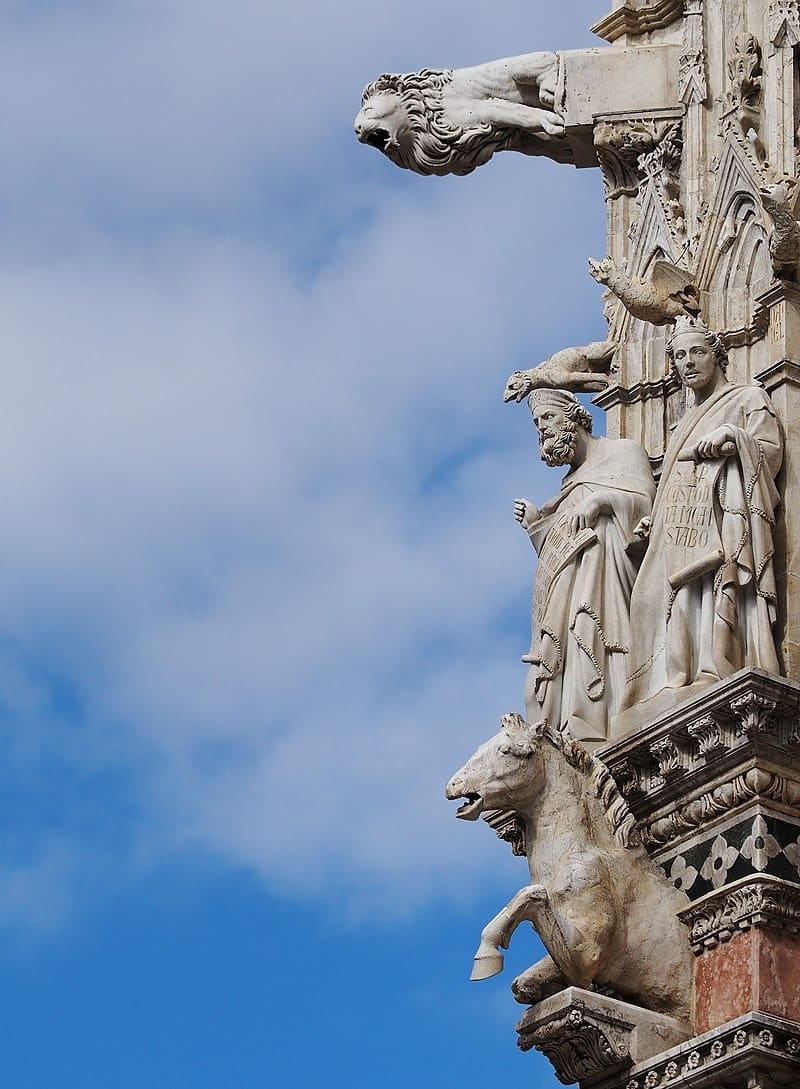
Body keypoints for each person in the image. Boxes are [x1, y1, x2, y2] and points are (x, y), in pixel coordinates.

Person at [623, 316, 784, 710]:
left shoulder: (748, 398)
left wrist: (734, 437)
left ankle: (719, 663)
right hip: (681, 527)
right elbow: (675, 480)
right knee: (674, 602)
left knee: (717, 589)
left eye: (697, 352)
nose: (688, 363)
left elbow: (771, 452)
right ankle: (682, 672)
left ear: (718, 355)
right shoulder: (680, 426)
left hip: (725, 520)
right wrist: (655, 520)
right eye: (679, 356)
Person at [515, 388, 655, 743]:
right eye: (536, 423)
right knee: (561, 658)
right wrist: (537, 526)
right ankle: (574, 726)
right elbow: (562, 546)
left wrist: (603, 500)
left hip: (609, 576)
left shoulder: (623, 452)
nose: (541, 428)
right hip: (570, 585)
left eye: (547, 418)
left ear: (574, 416)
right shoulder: (567, 484)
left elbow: (649, 504)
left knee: (593, 637)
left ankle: (606, 717)